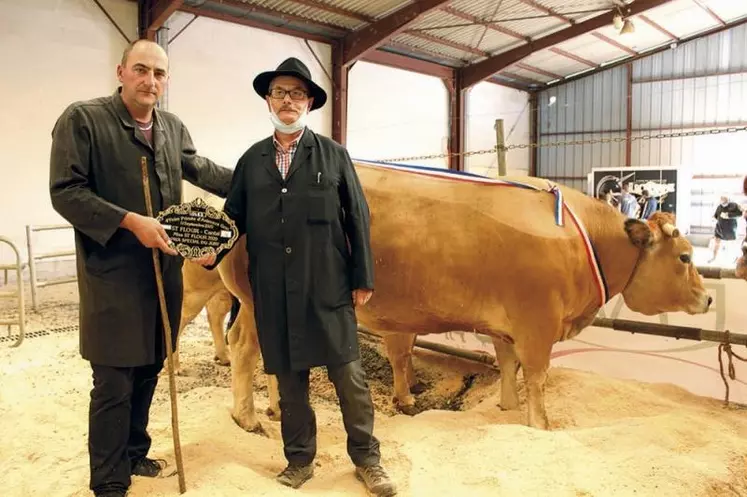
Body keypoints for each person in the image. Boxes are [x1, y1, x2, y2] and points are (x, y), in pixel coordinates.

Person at [194, 57, 397, 496]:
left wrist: (362, 277)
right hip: (274, 288)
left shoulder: (333, 155)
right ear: (268, 100)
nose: (289, 101)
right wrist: (212, 253)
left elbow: (357, 218)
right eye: (280, 93)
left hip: (328, 284)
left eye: (297, 93)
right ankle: (300, 460)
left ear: (309, 102)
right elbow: (234, 218)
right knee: (289, 382)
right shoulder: (252, 161)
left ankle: (368, 459)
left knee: (350, 378)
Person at [49, 39, 233, 497]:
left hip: (163, 278)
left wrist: (261, 176)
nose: (151, 80)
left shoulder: (171, 127)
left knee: (151, 366)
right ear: (121, 72)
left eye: (160, 73)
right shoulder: (83, 119)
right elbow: (66, 191)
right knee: (114, 379)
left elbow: (200, 168)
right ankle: (109, 480)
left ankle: (134, 452)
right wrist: (130, 221)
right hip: (113, 275)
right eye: (141, 70)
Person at [708, 195, 743, 263]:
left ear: (728, 200)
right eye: (721, 200)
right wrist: (713, 218)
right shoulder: (719, 207)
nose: (723, 201)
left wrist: (729, 215)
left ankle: (736, 258)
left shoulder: (734, 205)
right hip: (719, 229)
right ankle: (714, 258)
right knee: (716, 244)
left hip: (730, 230)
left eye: (724, 200)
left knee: (733, 245)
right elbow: (716, 216)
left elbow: (740, 214)